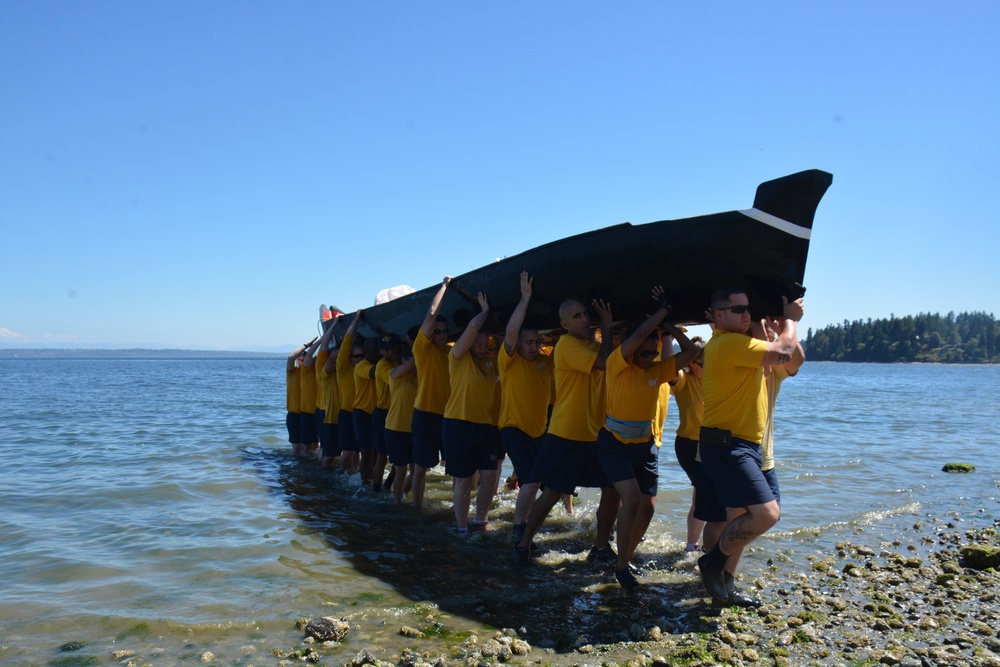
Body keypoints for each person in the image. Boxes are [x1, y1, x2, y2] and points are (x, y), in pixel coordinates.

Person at [696, 288, 803, 608]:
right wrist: (791, 321)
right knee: (766, 514)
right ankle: (711, 564)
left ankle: (725, 588)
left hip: (747, 447)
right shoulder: (727, 343)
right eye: (737, 308)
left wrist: (774, 325)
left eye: (749, 309)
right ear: (717, 315)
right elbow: (782, 352)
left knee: (741, 520)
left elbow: (791, 357)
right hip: (727, 446)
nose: (745, 313)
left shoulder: (746, 346)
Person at [597, 287, 699, 588]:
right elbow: (639, 334)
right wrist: (662, 312)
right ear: (630, 348)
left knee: (649, 506)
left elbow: (693, 353)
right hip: (614, 443)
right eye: (643, 351)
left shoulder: (658, 370)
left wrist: (669, 330)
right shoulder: (618, 366)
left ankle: (625, 558)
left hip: (644, 445)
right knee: (629, 500)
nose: (648, 355)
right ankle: (621, 565)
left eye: (652, 351)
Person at [513, 297, 618, 566]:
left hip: (596, 433)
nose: (585, 319)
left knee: (612, 489)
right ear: (563, 324)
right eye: (577, 316)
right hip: (566, 433)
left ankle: (601, 547)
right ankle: (523, 544)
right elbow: (605, 362)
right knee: (552, 492)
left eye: (586, 314)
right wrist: (607, 326)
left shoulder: (590, 345)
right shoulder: (567, 345)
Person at [497, 272, 553, 544]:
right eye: (529, 343)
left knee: (550, 485)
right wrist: (526, 298)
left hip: (539, 432)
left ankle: (530, 520)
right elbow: (510, 332)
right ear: (518, 344)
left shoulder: (545, 362)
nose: (535, 347)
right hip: (513, 428)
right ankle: (519, 527)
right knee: (530, 482)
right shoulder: (509, 361)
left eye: (538, 343)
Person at [443, 291, 499, 533]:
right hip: (458, 424)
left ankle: (481, 519)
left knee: (489, 477)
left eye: (485, 342)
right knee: (464, 480)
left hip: (485, 426)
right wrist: (484, 311)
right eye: (478, 342)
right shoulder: (457, 357)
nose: (481, 346)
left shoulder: (489, 361)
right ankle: (462, 526)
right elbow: (471, 329)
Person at [410, 278, 453, 508]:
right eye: (438, 332)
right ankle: (416, 506)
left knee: (456, 465)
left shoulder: (451, 352)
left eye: (445, 332)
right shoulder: (422, 348)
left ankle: (460, 508)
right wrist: (444, 287)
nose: (442, 335)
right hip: (426, 414)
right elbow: (431, 314)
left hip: (448, 416)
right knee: (420, 466)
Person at [758, 317, 806, 504]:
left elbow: (798, 360)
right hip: (741, 453)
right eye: (763, 330)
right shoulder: (740, 359)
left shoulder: (775, 370)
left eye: (768, 333)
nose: (767, 334)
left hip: (763, 456)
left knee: (770, 511)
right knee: (728, 516)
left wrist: (782, 331)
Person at [668, 337, 707, 554]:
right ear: (691, 364)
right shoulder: (684, 380)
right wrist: (668, 338)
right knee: (704, 493)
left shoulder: (713, 380)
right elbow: (670, 369)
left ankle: (694, 544)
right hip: (689, 445)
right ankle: (693, 545)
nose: (709, 367)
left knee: (703, 493)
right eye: (703, 364)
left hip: (709, 445)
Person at [386, 340, 418, 504]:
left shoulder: (419, 377)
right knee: (401, 470)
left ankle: (404, 495)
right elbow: (398, 372)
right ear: (405, 360)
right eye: (412, 358)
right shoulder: (395, 374)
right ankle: (396, 502)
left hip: (414, 430)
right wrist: (418, 356)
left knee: (416, 470)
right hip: (395, 428)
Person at [373, 333, 403, 492]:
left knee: (400, 460)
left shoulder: (402, 361)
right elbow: (395, 377)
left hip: (400, 413)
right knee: (382, 456)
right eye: (388, 349)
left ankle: (388, 486)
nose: (392, 351)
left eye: (394, 348)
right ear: (381, 352)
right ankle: (376, 490)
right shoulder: (382, 366)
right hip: (384, 413)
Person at [336, 310, 364, 474]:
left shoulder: (365, 369)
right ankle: (342, 476)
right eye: (356, 356)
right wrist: (355, 320)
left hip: (361, 414)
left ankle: (355, 476)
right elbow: (346, 343)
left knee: (359, 452)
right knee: (348, 452)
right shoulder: (343, 368)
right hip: (346, 413)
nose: (360, 359)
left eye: (362, 356)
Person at [353, 336, 381, 485]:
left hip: (377, 413)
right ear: (366, 353)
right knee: (366, 452)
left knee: (377, 451)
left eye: (379, 352)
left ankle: (374, 479)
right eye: (374, 352)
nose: (377, 355)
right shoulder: (361, 366)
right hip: (362, 413)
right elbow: (373, 372)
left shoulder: (382, 364)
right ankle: (365, 483)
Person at [285, 338, 314, 456]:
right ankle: (296, 465)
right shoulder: (292, 372)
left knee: (311, 446)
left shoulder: (311, 373)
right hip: (293, 414)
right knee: (296, 446)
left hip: (307, 413)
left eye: (304, 360)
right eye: (300, 360)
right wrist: (306, 345)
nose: (301, 362)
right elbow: (290, 357)